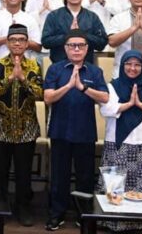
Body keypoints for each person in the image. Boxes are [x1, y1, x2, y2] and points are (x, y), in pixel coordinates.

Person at [43, 29, 109, 231]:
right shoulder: (55, 69)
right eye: (72, 45)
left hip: (85, 132)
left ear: (87, 48)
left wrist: (82, 87)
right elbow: (48, 98)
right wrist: (69, 85)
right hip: (60, 131)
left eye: (81, 45)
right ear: (65, 48)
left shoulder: (94, 71)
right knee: (59, 176)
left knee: (85, 176)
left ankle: (84, 215)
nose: (77, 49)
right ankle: (57, 214)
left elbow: (105, 98)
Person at [98, 50, 142, 232]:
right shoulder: (113, 86)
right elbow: (105, 109)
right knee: (117, 183)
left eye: (137, 65)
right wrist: (128, 104)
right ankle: (114, 222)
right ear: (122, 66)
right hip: (118, 142)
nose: (132, 68)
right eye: (129, 64)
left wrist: (141, 105)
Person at [0, 24, 43, 227]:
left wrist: (23, 80)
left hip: (26, 129)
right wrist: (10, 78)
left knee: (23, 172)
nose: (17, 43)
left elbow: (39, 94)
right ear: (8, 42)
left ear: (27, 43)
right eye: (13, 40)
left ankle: (23, 207)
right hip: (0, 128)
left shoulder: (35, 66)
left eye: (21, 40)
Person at [42, 0, 108, 64]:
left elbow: (102, 43)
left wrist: (82, 35)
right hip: (60, 66)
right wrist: (68, 36)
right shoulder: (54, 16)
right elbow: (45, 42)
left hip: (86, 67)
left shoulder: (92, 17)